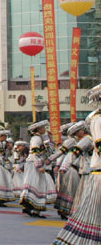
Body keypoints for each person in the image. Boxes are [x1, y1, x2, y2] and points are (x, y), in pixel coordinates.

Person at [53, 85, 101, 245]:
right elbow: (99, 147)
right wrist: (63, 167)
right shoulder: (98, 119)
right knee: (91, 212)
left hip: (92, 171)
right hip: (97, 173)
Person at [20, 120, 51, 218]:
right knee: (34, 184)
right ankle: (29, 206)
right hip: (34, 165)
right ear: (39, 129)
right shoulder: (36, 139)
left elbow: (48, 152)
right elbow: (34, 154)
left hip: (36, 164)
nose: (44, 129)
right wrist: (39, 166)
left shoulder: (41, 138)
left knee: (38, 185)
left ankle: (33, 208)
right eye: (43, 128)